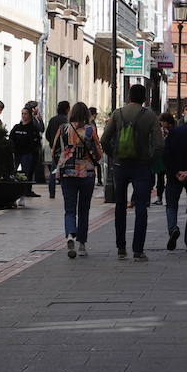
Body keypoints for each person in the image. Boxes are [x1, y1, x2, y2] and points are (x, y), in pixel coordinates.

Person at [102, 84, 163, 260]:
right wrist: (150, 158)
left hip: (120, 164)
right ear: (145, 98)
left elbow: (105, 139)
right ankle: (138, 250)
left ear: (129, 97)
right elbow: (159, 144)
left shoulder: (118, 113)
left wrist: (114, 154)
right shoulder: (150, 116)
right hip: (141, 165)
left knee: (120, 206)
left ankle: (121, 248)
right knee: (141, 206)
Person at [54, 102, 103, 258]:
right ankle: (82, 244)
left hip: (68, 173)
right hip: (87, 173)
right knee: (84, 209)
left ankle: (70, 235)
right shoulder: (90, 129)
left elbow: (55, 149)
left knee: (69, 209)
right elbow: (99, 152)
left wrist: (62, 161)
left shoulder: (63, 129)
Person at [163, 108, 187, 252]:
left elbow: (166, 155)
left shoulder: (174, 132)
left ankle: (173, 228)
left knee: (171, 205)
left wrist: (175, 172)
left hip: (175, 174)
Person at [9, 107, 42, 202]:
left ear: (30, 115)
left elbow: (36, 142)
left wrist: (32, 151)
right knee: (12, 174)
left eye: (25, 114)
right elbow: (11, 139)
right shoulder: (16, 127)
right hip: (16, 154)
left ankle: (22, 196)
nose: (23, 116)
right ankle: (12, 195)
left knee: (24, 176)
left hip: (27, 155)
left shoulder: (33, 129)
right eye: (22, 113)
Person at [43, 102, 70, 199]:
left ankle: (52, 192)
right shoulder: (67, 120)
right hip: (65, 150)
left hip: (54, 149)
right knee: (64, 170)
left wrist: (52, 144)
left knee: (53, 171)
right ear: (67, 109)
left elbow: (47, 134)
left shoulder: (53, 120)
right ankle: (65, 191)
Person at [154, 112, 175, 208]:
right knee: (160, 178)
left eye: (162, 122)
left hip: (169, 158)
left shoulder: (172, 131)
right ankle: (159, 198)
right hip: (162, 158)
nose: (161, 123)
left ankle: (166, 198)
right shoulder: (162, 130)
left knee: (168, 179)